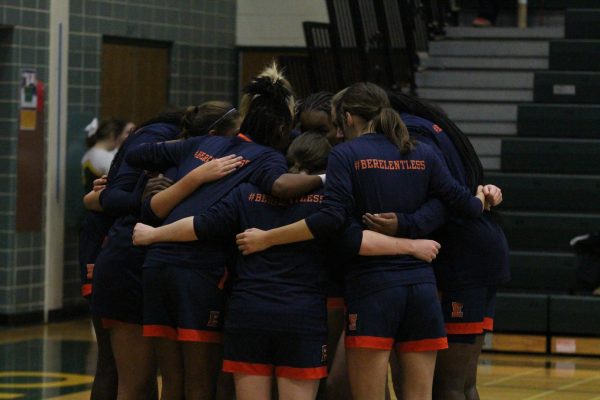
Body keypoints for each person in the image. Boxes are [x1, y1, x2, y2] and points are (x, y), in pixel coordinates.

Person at [132, 132, 442, 400]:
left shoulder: (247, 192)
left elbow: (200, 225)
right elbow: (356, 241)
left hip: (248, 314)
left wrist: (154, 234)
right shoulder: (329, 202)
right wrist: (411, 245)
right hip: (300, 317)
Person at [234, 82, 487, 400]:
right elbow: (462, 204)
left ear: (349, 118)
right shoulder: (424, 150)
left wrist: (268, 238)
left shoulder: (345, 154)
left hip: (374, 289)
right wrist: (483, 197)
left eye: (337, 123)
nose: (336, 133)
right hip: (421, 288)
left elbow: (331, 220)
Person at [124, 63, 324, 400]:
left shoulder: (204, 144)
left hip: (156, 265)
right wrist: (328, 177)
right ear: (279, 127)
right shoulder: (266, 159)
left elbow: (136, 152)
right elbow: (280, 187)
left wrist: (160, 182)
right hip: (197, 271)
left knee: (172, 382)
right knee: (202, 384)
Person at [88, 105, 244, 400]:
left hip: (139, 263)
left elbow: (101, 197)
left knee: (147, 380)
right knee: (134, 382)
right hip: (129, 261)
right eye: (233, 136)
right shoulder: (175, 154)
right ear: (210, 135)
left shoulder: (186, 157)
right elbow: (115, 200)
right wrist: (192, 179)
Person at [364, 92, 508, 400]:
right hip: (478, 251)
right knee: (461, 385)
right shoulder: (431, 126)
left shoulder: (414, 134)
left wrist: (404, 224)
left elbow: (443, 200)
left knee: (448, 386)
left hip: (462, 258)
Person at [81, 118, 134, 192]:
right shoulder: (105, 157)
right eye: (127, 133)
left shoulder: (90, 152)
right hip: (101, 200)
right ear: (113, 135)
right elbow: (124, 181)